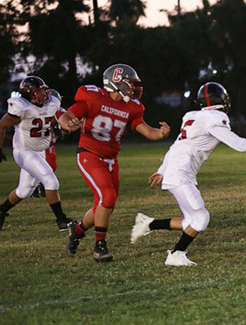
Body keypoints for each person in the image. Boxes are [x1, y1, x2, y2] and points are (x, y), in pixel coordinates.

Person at [130, 82, 246, 266]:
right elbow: (239, 144)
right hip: (181, 173)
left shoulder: (194, 117)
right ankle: (176, 254)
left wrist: (163, 169)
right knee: (201, 218)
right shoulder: (215, 118)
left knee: (191, 219)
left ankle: (148, 224)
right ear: (222, 100)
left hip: (178, 171)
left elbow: (177, 146)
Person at [59, 63, 170, 262]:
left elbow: (146, 130)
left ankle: (77, 230)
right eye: (130, 83)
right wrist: (68, 123)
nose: (134, 87)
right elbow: (67, 115)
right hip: (89, 154)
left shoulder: (131, 107)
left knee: (104, 204)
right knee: (107, 197)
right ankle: (100, 246)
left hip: (111, 159)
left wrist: (159, 133)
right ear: (115, 82)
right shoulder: (93, 98)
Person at [0, 77, 73, 231]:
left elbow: (49, 116)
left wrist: (56, 126)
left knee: (24, 191)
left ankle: (1, 211)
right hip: (24, 151)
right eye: (41, 90)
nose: (45, 93)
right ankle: (61, 220)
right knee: (51, 181)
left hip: (39, 152)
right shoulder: (22, 107)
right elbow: (2, 125)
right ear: (31, 94)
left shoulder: (52, 102)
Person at [32, 89, 66, 198]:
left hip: (49, 144)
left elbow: (65, 120)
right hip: (39, 143)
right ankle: (37, 186)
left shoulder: (59, 111)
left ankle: (40, 185)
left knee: (51, 165)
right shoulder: (39, 109)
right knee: (43, 166)